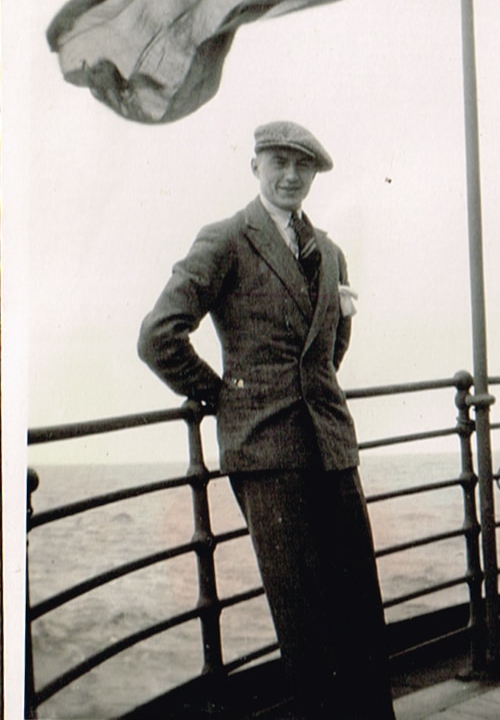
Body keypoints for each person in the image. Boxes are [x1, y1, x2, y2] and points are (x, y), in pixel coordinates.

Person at [137, 121, 396, 720]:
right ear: (254, 164)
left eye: (303, 167)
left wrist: (310, 392)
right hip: (268, 457)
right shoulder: (226, 239)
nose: (290, 176)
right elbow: (159, 337)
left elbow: (333, 342)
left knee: (362, 614)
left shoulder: (329, 252)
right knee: (305, 626)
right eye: (279, 162)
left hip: (331, 450)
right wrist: (226, 397)